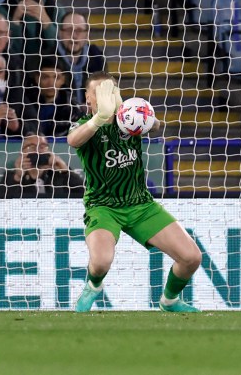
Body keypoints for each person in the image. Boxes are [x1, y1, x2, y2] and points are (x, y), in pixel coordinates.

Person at [69, 72, 202, 313]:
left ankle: (169, 301)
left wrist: (143, 115)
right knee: (100, 263)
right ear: (88, 98)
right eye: (98, 92)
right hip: (103, 206)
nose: (105, 97)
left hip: (140, 204)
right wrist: (100, 118)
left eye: (110, 91)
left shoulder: (128, 119)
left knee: (191, 257)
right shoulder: (85, 125)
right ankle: (93, 285)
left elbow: (157, 126)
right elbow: (73, 140)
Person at [0, 133, 84, 198]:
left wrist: (65, 171)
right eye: (31, 147)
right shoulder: (11, 177)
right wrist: (17, 177)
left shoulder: (59, 175)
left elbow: (86, 195)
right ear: (22, 153)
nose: (37, 151)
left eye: (42, 147)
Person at [56, 11, 106, 108]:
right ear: (60, 33)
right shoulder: (48, 58)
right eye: (68, 30)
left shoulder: (97, 58)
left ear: (87, 34)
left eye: (79, 30)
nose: (74, 36)